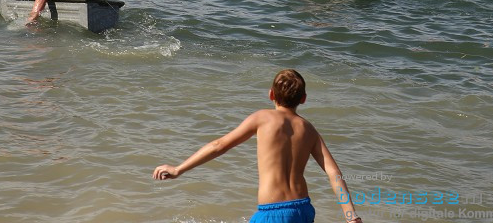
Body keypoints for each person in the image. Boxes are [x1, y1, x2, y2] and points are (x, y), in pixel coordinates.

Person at [152, 69, 362, 223]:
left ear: (271, 94)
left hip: (272, 212)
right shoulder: (309, 129)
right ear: (304, 99)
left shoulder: (262, 118)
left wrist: (179, 169)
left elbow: (219, 145)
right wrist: (351, 215)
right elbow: (334, 173)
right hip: (303, 210)